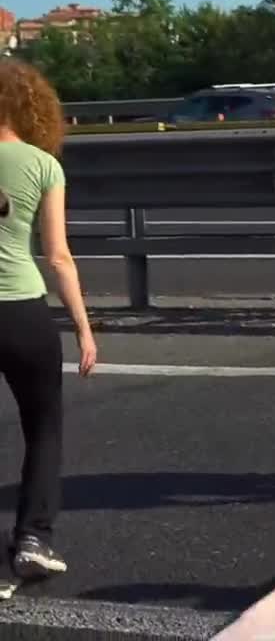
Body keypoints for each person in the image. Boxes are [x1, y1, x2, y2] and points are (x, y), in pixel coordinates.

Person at [0, 58, 97, 579]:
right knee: (43, 428)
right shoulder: (42, 164)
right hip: (22, 313)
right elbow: (58, 255)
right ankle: (33, 538)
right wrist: (83, 327)